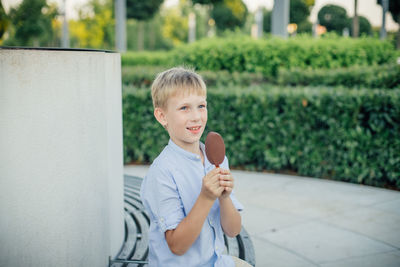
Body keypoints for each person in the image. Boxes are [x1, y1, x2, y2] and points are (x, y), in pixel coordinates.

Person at [140, 66, 251, 267]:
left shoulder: (215, 158)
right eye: (184, 108)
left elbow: (233, 230)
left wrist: (225, 197)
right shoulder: (162, 171)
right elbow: (177, 246)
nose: (196, 117)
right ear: (162, 116)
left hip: (216, 262)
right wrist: (207, 197)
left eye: (201, 106)